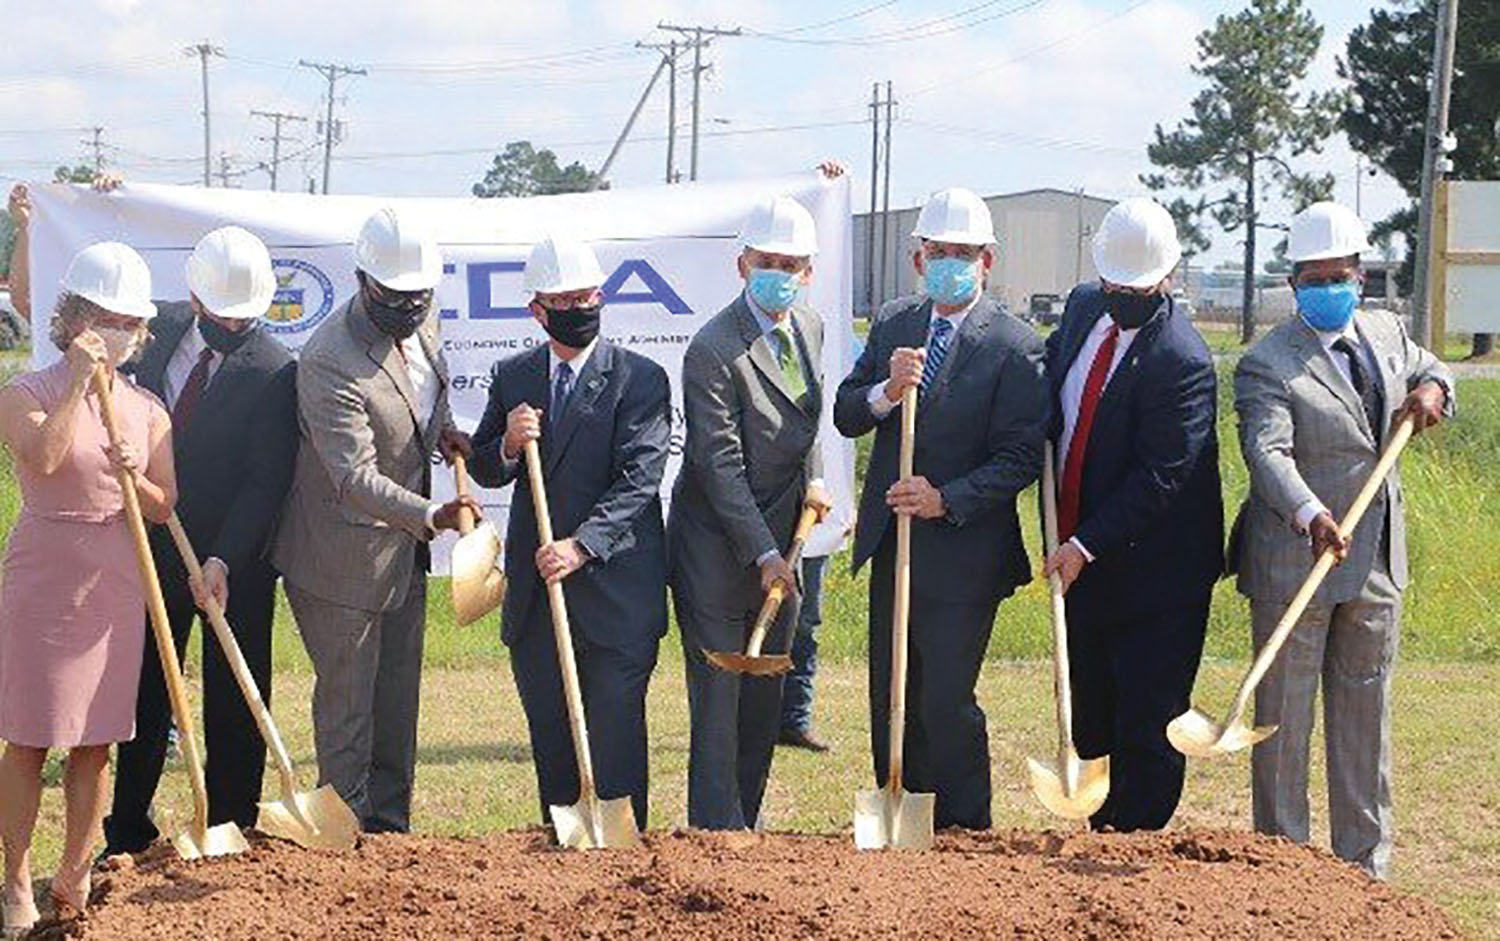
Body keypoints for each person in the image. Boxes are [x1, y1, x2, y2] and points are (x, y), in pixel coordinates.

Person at [1231, 201, 1453, 879]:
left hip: (1376, 563)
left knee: (1365, 719)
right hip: (1296, 560)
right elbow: (1267, 453)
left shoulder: (1386, 331)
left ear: (1361, 276)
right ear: (1294, 284)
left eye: (1342, 275)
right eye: (1315, 278)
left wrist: (1435, 391)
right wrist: (1309, 512)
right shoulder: (1266, 362)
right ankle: (1285, 866)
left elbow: (1431, 368)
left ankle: (1364, 868)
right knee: (1283, 726)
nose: (1330, 288)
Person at [835, 187, 1047, 831]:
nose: (949, 263)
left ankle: (965, 828)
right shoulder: (896, 323)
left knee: (946, 698)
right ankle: (905, 817)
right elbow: (847, 413)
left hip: (964, 553)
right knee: (892, 695)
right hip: (893, 546)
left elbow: (1019, 458)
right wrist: (887, 390)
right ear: (917, 257)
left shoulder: (1014, 344)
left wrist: (943, 499)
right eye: (937, 252)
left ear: (988, 260)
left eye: (964, 253)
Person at [271, 206, 478, 834]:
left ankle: (391, 835)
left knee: (396, 703)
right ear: (362, 280)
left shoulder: (425, 317)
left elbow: (415, 404)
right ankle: (341, 836)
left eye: (420, 295)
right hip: (340, 557)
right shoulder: (330, 357)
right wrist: (433, 514)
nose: (411, 306)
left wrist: (442, 433)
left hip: (400, 555)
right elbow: (352, 476)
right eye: (395, 295)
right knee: (348, 712)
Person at [101, 226, 299, 856]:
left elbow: (266, 482)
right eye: (220, 316)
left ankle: (230, 824)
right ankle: (127, 829)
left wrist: (222, 559)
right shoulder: (148, 334)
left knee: (235, 694)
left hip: (232, 558)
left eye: (243, 319)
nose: (232, 327)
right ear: (192, 296)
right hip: (151, 544)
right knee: (145, 690)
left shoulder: (274, 369)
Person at [469, 235, 671, 833]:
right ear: (538, 310)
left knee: (614, 735)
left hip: (615, 591)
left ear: (601, 297)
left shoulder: (640, 378)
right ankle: (561, 854)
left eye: (585, 296)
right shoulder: (515, 376)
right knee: (553, 735)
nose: (577, 307)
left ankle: (622, 851)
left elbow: (641, 478)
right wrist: (506, 441)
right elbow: (484, 465)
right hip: (538, 600)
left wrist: (581, 546)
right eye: (562, 299)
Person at [0, 242, 174, 931]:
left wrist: (140, 475)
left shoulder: (150, 408)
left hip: (116, 573)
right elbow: (42, 459)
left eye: (132, 321)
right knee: (29, 736)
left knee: (97, 739)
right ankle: (14, 877)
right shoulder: (25, 392)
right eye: (108, 316)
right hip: (45, 569)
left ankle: (73, 872)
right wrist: (75, 381)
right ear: (74, 317)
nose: (122, 332)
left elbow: (164, 504)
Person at [1042, 197, 1223, 833]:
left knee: (1146, 722)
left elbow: (1162, 476)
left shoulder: (1183, 361)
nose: (1122, 297)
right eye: (1113, 285)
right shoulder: (1082, 309)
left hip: (1157, 575)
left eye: (1137, 288)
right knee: (1093, 715)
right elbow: (1055, 379)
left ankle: (1137, 848)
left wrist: (1084, 544)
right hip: (1084, 559)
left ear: (1168, 278)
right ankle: (1102, 831)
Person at [670, 195, 827, 830]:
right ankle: (714, 831)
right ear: (742, 265)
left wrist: (815, 482)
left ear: (809, 271)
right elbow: (718, 464)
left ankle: (746, 822)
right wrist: (762, 552)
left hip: (786, 541)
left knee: (766, 694)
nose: (780, 273)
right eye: (768, 261)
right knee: (719, 699)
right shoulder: (713, 349)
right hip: (717, 545)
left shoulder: (809, 326)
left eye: (793, 263)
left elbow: (807, 421)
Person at [778, 553, 830, 752]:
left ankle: (795, 721)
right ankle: (750, 721)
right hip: (770, 539)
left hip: (816, 541)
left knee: (806, 625)